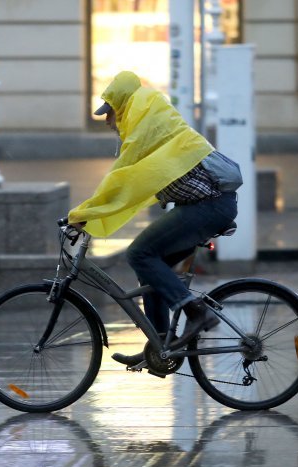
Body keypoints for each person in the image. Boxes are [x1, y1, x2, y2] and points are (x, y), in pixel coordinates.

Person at [68, 71, 241, 365]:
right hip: (205, 205)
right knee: (150, 265)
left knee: (139, 253)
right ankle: (162, 345)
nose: (109, 122)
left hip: (209, 206)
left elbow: (122, 179)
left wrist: (85, 212)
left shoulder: (144, 117)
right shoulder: (144, 114)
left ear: (121, 106)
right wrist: (91, 210)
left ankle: (195, 310)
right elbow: (131, 179)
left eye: (110, 114)